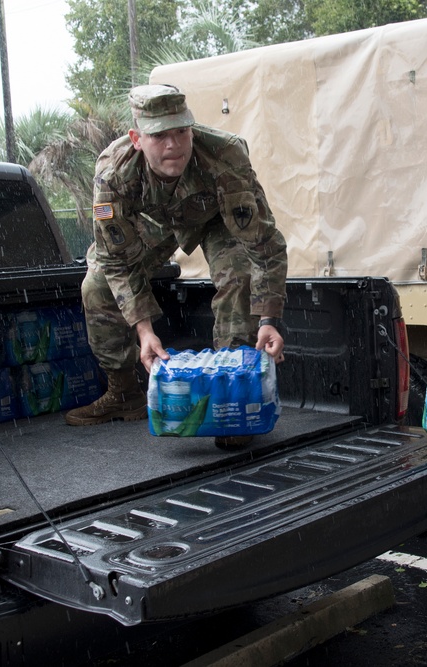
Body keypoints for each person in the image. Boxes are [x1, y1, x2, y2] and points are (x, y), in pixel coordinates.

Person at [65, 84, 288, 450]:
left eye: (181, 131)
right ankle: (124, 392)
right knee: (98, 285)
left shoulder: (225, 154)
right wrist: (144, 331)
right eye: (159, 135)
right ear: (137, 138)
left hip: (215, 217)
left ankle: (233, 399)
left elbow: (263, 243)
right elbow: (116, 259)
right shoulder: (114, 173)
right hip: (154, 222)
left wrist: (268, 319)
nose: (174, 144)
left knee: (239, 276)